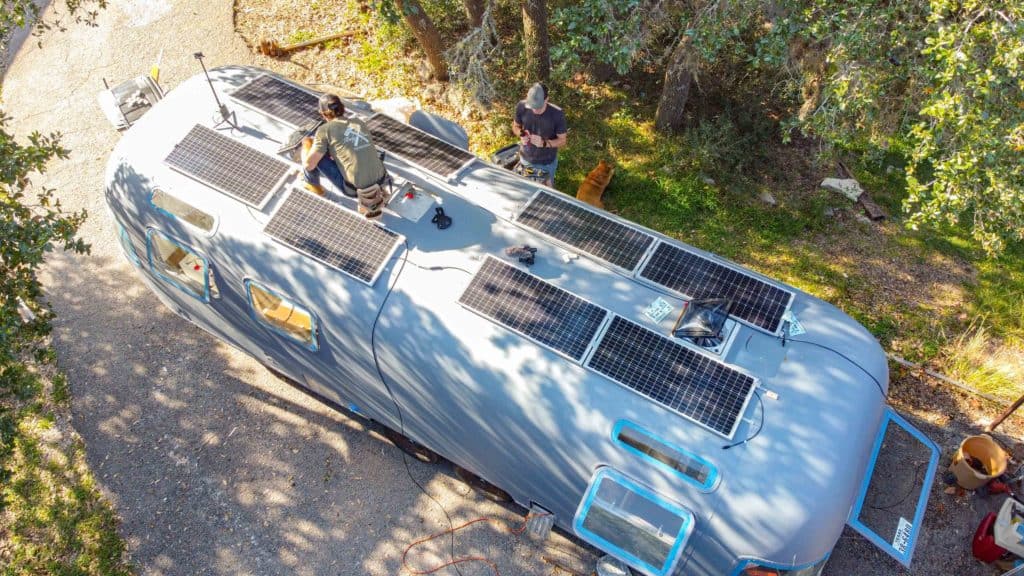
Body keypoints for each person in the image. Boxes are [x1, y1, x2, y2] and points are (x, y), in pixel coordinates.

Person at [302, 94, 386, 201]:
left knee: (309, 145)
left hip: (355, 190)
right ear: (343, 108)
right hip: (381, 180)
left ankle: (311, 184)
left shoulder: (324, 130)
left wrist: (308, 146)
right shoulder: (359, 122)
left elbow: (309, 165)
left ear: (322, 114)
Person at [512, 82, 567, 187]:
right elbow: (515, 126)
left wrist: (544, 143)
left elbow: (562, 140)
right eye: (532, 107)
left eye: (538, 107)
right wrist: (521, 134)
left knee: (546, 191)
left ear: (547, 99)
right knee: (526, 187)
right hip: (525, 158)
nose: (535, 110)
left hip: (546, 162)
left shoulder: (557, 114)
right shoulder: (522, 106)